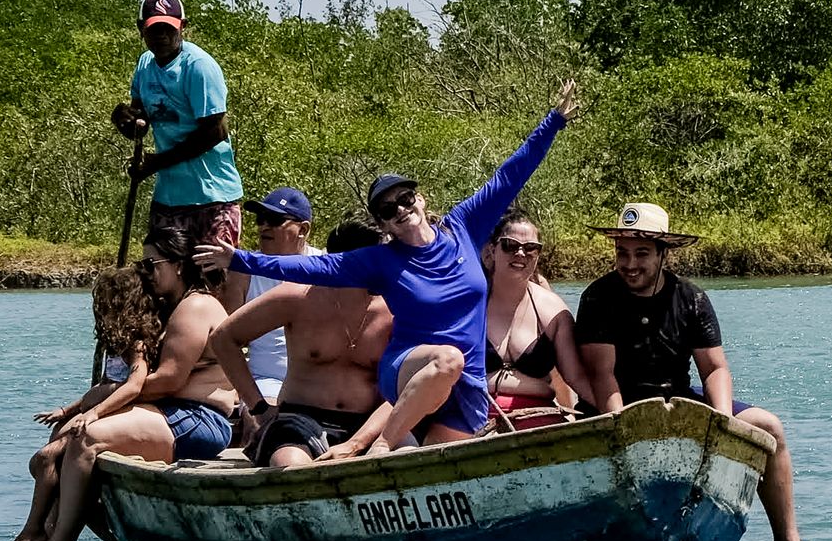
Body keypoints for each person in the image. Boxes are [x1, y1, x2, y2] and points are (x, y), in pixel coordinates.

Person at [194, 81, 578, 456]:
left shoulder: (464, 226)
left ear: (421, 198)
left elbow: (511, 175)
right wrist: (238, 259)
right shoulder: (381, 260)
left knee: (441, 472)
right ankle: (378, 445)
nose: (400, 210)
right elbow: (312, 268)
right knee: (448, 359)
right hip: (409, 370)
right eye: (387, 210)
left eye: (405, 198)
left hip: (467, 382)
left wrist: (554, 121)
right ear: (383, 225)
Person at [576, 202, 823, 541]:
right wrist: (623, 426)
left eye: (641, 254)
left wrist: (720, 422)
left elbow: (714, 369)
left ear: (664, 254)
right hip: (619, 400)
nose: (629, 264)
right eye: (622, 253)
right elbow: (602, 374)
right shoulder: (598, 298)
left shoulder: (691, 298)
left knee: (772, 429)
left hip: (678, 398)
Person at [40, 234, 239, 541]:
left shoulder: (196, 306)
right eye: (141, 265)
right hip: (168, 413)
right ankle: (46, 528)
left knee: (87, 437)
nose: (144, 272)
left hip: (198, 418)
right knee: (63, 431)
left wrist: (103, 398)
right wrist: (85, 404)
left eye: (151, 264)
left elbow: (168, 381)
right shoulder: (171, 307)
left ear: (177, 266)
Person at [0, 268, 162, 541]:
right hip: (99, 412)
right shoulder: (114, 345)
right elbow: (100, 387)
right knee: (49, 453)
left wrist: (94, 413)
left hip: (116, 416)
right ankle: (47, 527)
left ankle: (35, 529)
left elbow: (134, 385)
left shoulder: (136, 343)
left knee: (46, 457)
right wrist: (68, 410)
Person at [210, 218, 396, 467]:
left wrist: (365, 439)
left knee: (409, 456)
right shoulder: (296, 296)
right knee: (290, 464)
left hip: (370, 422)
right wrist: (259, 408)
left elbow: (403, 388)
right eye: (379, 259)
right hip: (300, 419)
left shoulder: (396, 307)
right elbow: (224, 338)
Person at [111, 0, 244, 261]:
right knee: (161, 281)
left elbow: (216, 131)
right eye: (154, 29)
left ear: (182, 27)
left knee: (211, 284)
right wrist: (124, 118)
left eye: (168, 29)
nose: (161, 36)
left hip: (211, 198)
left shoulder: (198, 67)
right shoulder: (145, 64)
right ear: (141, 30)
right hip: (169, 199)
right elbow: (141, 115)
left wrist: (157, 163)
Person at [482, 208, 595, 429]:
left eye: (531, 248)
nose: (521, 254)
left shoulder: (553, 311)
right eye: (510, 245)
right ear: (491, 250)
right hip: (472, 414)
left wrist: (613, 413)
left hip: (536, 416)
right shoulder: (468, 303)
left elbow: (576, 377)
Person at [223, 186, 324, 401]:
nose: (263, 227)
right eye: (261, 219)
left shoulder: (325, 267)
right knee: (270, 427)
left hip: (319, 380)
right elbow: (225, 336)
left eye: (275, 220)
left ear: (303, 229)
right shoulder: (243, 271)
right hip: (265, 381)